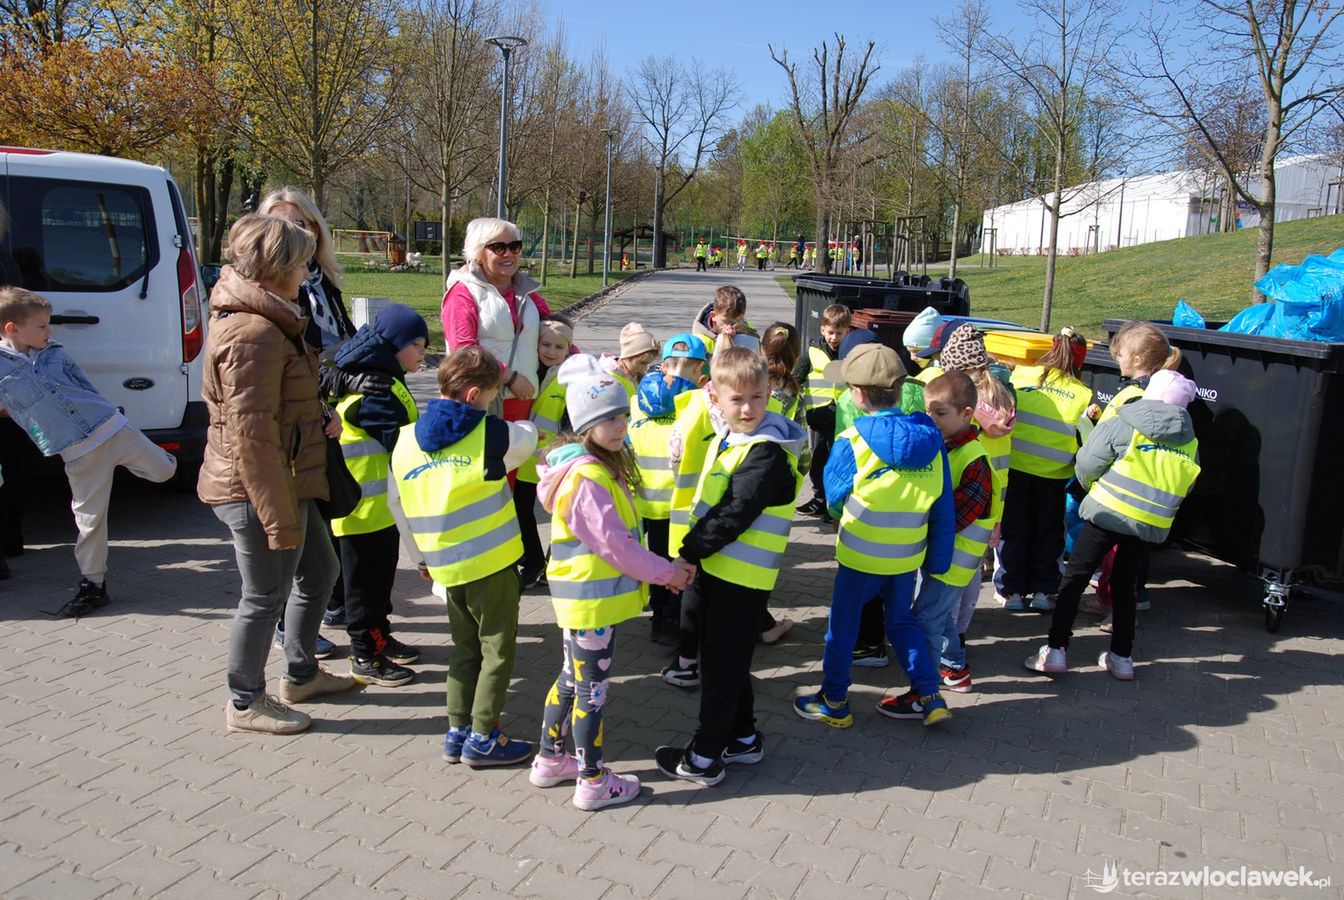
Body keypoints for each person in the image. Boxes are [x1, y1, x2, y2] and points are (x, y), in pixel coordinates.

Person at [199, 214, 354, 736]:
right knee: (265, 596)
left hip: (286, 479)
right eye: (302, 262)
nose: (309, 271)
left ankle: (302, 673)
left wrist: (318, 414)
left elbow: (277, 406)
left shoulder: (270, 317)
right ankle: (245, 702)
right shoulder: (253, 332)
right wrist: (275, 518)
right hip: (259, 489)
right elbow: (252, 439)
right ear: (275, 267)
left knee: (321, 571)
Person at [531, 355, 693, 809]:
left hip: (583, 601)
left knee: (570, 679)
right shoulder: (588, 477)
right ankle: (593, 781)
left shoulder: (590, 467)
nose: (620, 426)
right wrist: (666, 573)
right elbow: (616, 547)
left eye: (623, 415)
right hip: (591, 605)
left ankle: (549, 759)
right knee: (592, 692)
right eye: (608, 419)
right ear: (585, 425)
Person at [655, 348, 805, 786]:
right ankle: (742, 739)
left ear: (769, 394)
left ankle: (704, 758)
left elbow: (734, 513)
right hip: (720, 571)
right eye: (736, 399)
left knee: (721, 670)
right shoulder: (733, 436)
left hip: (741, 580)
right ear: (714, 398)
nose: (748, 408)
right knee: (725, 662)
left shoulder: (767, 452)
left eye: (757, 398)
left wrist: (688, 554)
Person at [389, 346, 538, 766]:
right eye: (492, 395)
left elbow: (397, 505)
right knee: (497, 649)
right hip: (492, 565)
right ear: (474, 395)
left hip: (444, 568)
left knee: (464, 647)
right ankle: (485, 736)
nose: (493, 403)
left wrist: (420, 558)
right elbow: (526, 437)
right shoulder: (493, 434)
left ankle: (456, 730)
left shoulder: (403, 443)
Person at [793, 343, 954, 728]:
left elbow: (833, 498)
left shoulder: (853, 439)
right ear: (900, 387)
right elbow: (944, 506)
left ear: (859, 394)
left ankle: (834, 699)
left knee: (843, 625)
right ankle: (929, 693)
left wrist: (838, 514)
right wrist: (938, 561)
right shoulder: (932, 440)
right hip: (906, 558)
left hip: (860, 557)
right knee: (901, 622)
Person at [0, 285, 179, 616]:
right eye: (41, 326)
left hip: (111, 428)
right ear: (12, 328)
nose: (48, 331)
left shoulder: (55, 353)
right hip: (77, 453)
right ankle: (93, 585)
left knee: (164, 471)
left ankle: (134, 461)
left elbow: (85, 386)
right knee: (89, 520)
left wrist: (107, 411)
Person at [261, 188, 381, 641]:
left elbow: (340, 345)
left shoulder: (322, 281)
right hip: (293, 422)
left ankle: (318, 613)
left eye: (302, 224)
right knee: (297, 533)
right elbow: (298, 362)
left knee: (327, 519)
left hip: (326, 413)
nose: (295, 234)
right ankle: (286, 626)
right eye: (282, 225)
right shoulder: (271, 293)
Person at [1025, 370, 1200, 680]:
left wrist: (1092, 488)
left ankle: (1055, 651)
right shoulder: (1190, 441)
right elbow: (1187, 484)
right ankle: (1121, 657)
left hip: (1107, 513)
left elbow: (1088, 462)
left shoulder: (1124, 423)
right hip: (1148, 524)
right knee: (1124, 586)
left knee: (1075, 578)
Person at [328, 303, 429, 688]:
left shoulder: (385, 378)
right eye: (416, 345)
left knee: (380, 583)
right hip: (358, 513)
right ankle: (364, 656)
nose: (422, 353)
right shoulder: (374, 390)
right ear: (393, 345)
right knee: (363, 590)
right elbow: (400, 444)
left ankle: (379, 637)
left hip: (379, 511)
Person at [1079, 321, 1183, 625]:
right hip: (1148, 488)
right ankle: (1133, 596)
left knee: (1116, 556)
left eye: (1120, 354)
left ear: (1137, 359)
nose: (1117, 360)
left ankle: (1114, 604)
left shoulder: (1131, 397)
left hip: (1121, 485)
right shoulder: (1162, 390)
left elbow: (1110, 439)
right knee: (1135, 553)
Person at [933, 325, 1016, 691]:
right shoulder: (1003, 394)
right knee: (970, 579)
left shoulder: (969, 412)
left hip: (968, 499)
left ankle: (950, 650)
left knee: (947, 586)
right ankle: (960, 636)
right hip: (993, 501)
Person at [910, 372, 995, 696]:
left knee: (925, 618)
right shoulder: (945, 446)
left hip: (954, 561)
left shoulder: (974, 460)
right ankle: (955, 668)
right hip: (943, 555)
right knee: (937, 613)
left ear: (967, 414)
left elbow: (955, 516)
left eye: (940, 413)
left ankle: (925, 691)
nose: (931, 419)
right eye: (929, 411)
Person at [999, 327, 1092, 612]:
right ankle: (1043, 591)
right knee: (1049, 534)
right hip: (1053, 476)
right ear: (1081, 361)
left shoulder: (1022, 376)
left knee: (1014, 531)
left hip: (1015, 469)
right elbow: (1086, 440)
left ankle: (1012, 592)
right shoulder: (1082, 394)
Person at [629, 333, 708, 646]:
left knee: (656, 561)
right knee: (679, 567)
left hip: (644, 501)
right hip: (681, 504)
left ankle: (659, 618)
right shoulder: (698, 405)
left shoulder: (637, 401)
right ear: (701, 371)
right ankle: (672, 622)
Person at [441, 218, 552, 427]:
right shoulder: (462, 292)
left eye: (514, 246)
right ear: (479, 254)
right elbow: (463, 350)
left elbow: (555, 330)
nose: (509, 254)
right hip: (480, 403)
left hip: (525, 401)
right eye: (498, 248)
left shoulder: (527, 291)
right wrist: (509, 377)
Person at [517, 315, 575, 589]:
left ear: (568, 349)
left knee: (560, 511)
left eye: (559, 347)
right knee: (520, 509)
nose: (551, 352)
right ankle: (533, 560)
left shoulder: (566, 378)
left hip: (556, 459)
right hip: (528, 458)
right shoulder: (527, 368)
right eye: (546, 344)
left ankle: (555, 560)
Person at [794, 304, 851, 519]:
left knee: (838, 459)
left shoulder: (849, 353)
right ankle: (819, 498)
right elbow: (796, 377)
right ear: (822, 330)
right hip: (818, 416)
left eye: (839, 333)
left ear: (848, 331)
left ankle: (833, 503)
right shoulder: (811, 352)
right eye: (830, 332)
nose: (834, 337)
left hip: (843, 416)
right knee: (818, 457)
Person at [690, 284, 758, 358]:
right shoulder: (700, 340)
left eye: (735, 322)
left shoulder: (750, 333)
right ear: (713, 316)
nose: (730, 327)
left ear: (743, 316)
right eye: (725, 322)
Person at [599, 323, 659, 397]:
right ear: (629, 356)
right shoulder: (609, 377)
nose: (646, 368)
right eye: (642, 363)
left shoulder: (636, 376)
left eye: (648, 363)